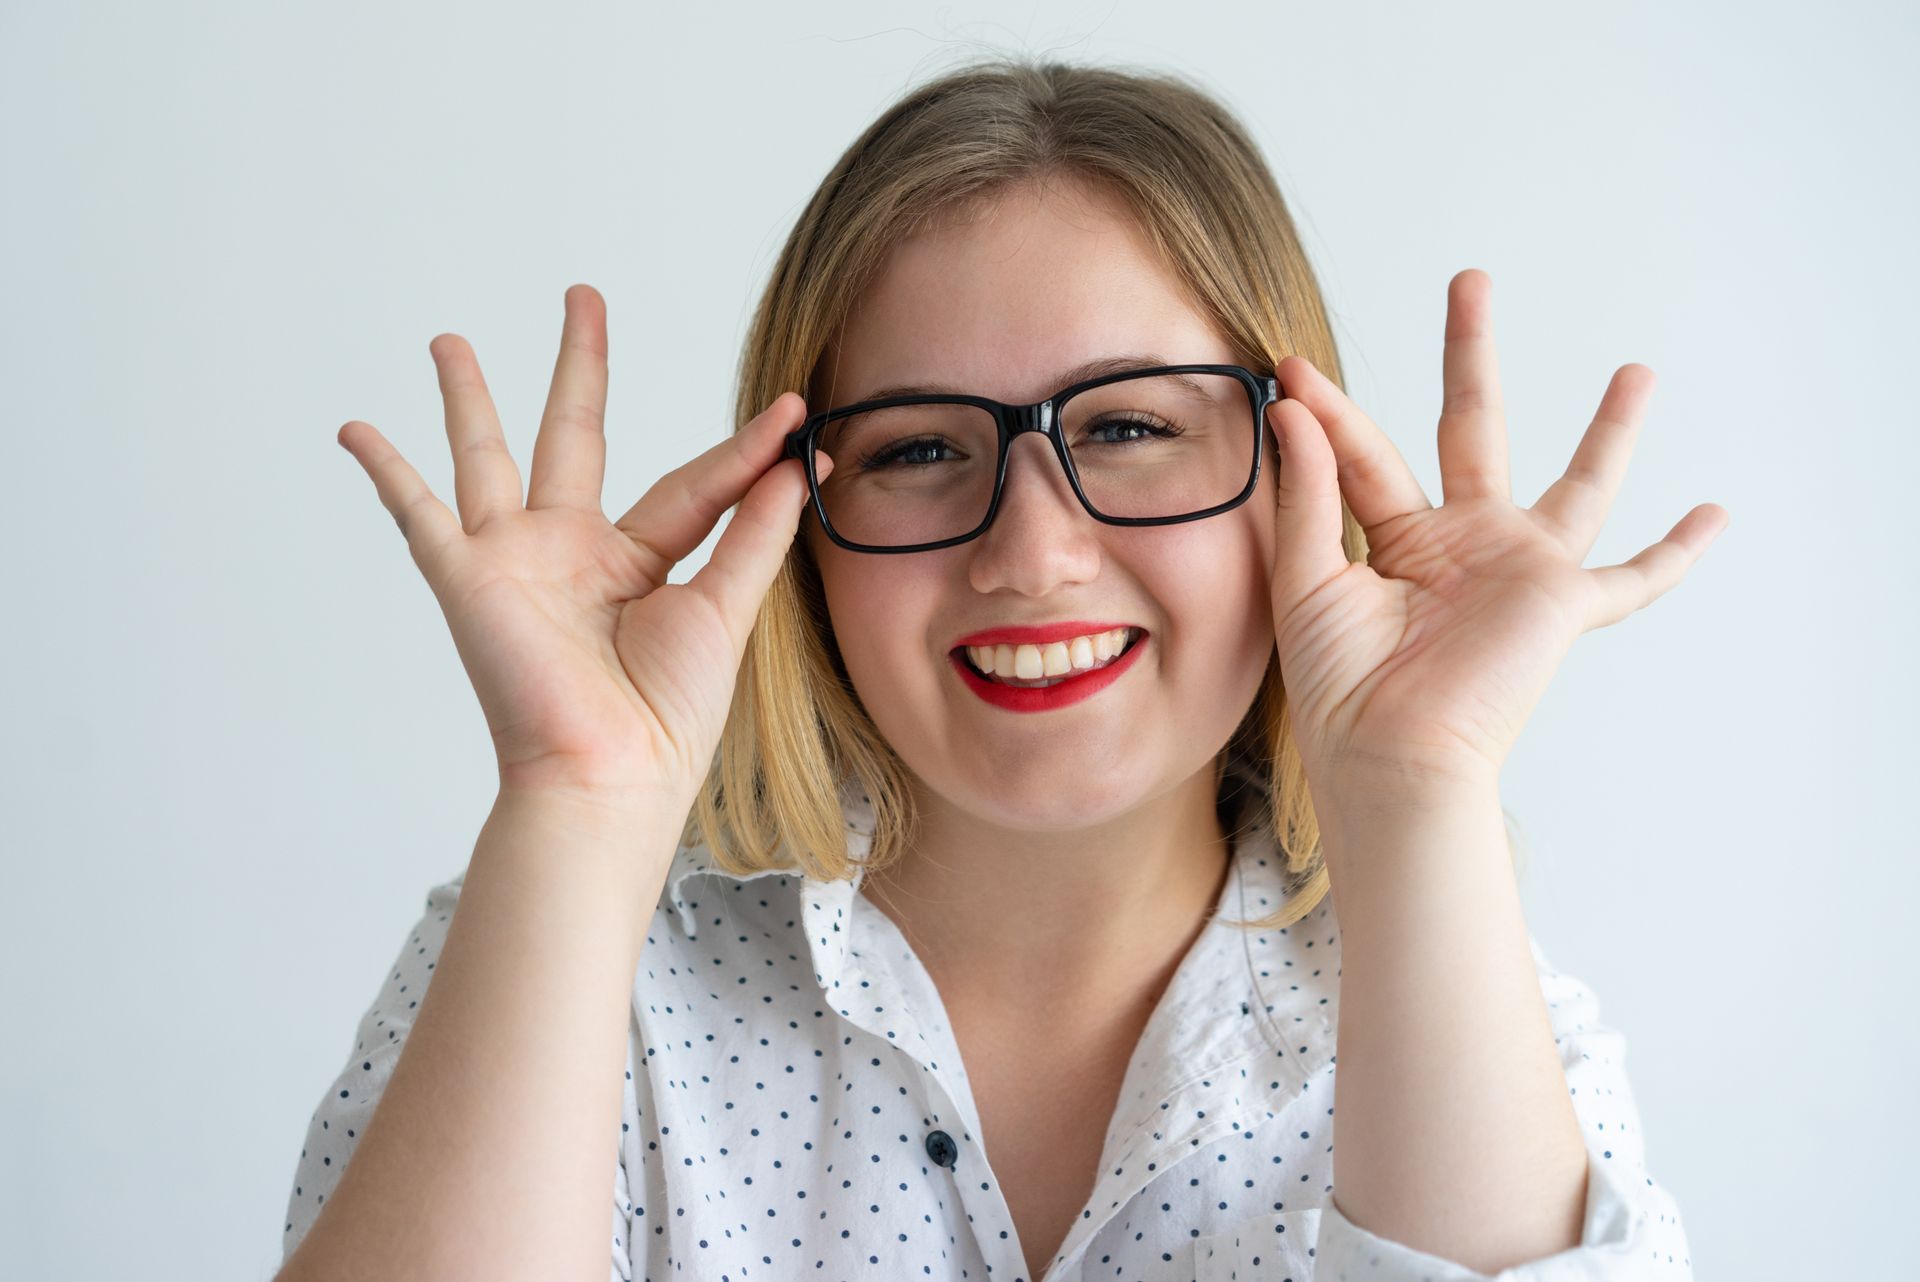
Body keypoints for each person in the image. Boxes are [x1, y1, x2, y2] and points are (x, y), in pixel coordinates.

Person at [277, 56, 1720, 1282]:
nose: (1033, 552)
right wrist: (575, 803)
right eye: (917, 448)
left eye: (1134, 429)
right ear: (798, 526)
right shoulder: (580, 943)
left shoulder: (1484, 1011)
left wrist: (1415, 792)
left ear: (1298, 479)